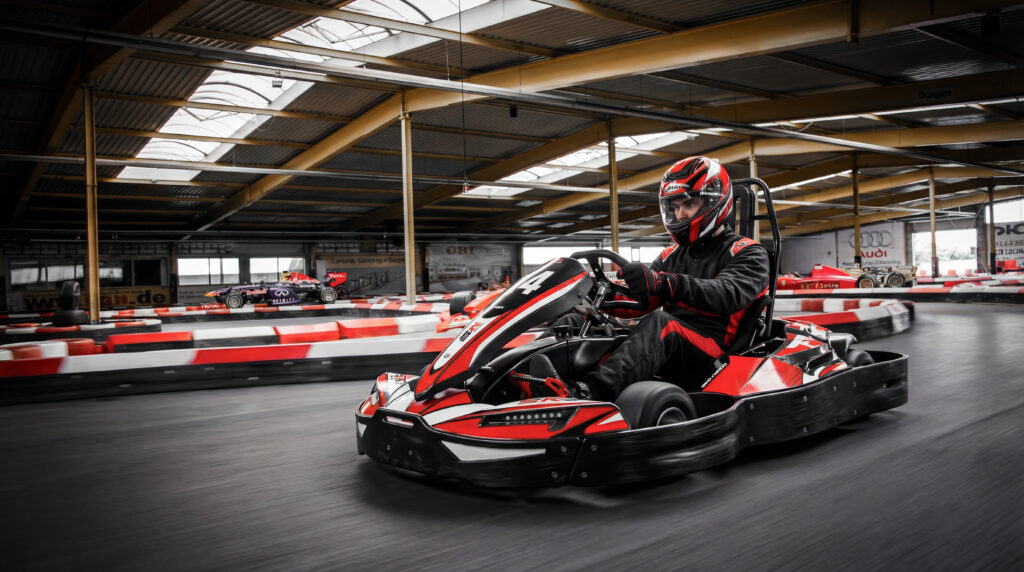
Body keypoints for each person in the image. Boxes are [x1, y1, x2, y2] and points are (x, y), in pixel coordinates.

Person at [577, 156, 770, 400]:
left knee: (661, 323)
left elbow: (726, 294)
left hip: (713, 349)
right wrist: (596, 297)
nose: (680, 215)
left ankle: (591, 396)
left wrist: (664, 282)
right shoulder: (671, 255)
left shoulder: (748, 251)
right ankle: (548, 381)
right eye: (675, 207)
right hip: (670, 341)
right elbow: (641, 302)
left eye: (688, 204)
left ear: (714, 201)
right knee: (585, 325)